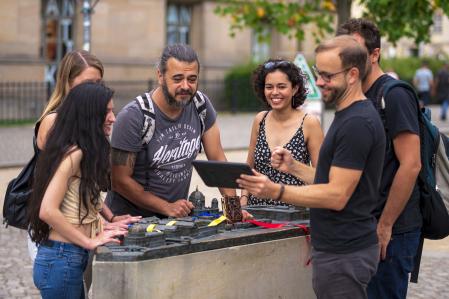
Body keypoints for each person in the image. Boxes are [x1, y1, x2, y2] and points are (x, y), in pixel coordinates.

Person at [237, 35, 386, 299]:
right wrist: (294, 167)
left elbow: (337, 196)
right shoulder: (348, 116)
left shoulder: (357, 123)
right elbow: (328, 179)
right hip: (336, 248)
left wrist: (276, 191)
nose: (318, 82)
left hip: (345, 251)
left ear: (352, 75)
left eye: (327, 76)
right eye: (318, 73)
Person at [337, 18, 422, 299]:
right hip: (363, 226)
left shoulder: (394, 95)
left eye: (356, 51)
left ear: (375, 55)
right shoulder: (357, 96)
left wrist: (385, 225)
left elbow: (411, 164)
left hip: (390, 230)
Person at [28, 50, 138, 261]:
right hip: (57, 236)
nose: (95, 89)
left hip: (72, 235)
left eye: (99, 83)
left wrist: (110, 217)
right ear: (67, 82)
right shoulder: (55, 121)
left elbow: (83, 184)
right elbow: (59, 190)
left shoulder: (87, 122)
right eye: (88, 83)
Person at [106, 44, 235, 218]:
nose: (185, 86)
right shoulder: (134, 116)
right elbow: (119, 180)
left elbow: (218, 161)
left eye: (192, 79)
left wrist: (234, 211)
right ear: (160, 75)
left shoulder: (201, 106)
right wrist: (166, 206)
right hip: (130, 224)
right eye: (177, 78)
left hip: (173, 221)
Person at [28, 82, 127, 298]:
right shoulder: (75, 154)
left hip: (67, 258)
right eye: (107, 112)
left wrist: (107, 223)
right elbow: (47, 210)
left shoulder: (80, 150)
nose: (113, 118)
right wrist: (89, 241)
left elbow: (81, 200)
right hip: (61, 260)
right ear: (90, 115)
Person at [240, 59, 323, 208]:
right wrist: (244, 200)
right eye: (269, 87)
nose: (274, 92)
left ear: (295, 89)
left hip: (294, 214)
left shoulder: (309, 123)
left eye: (281, 86)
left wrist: (294, 166)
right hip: (256, 212)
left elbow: (321, 179)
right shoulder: (260, 119)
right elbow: (249, 169)